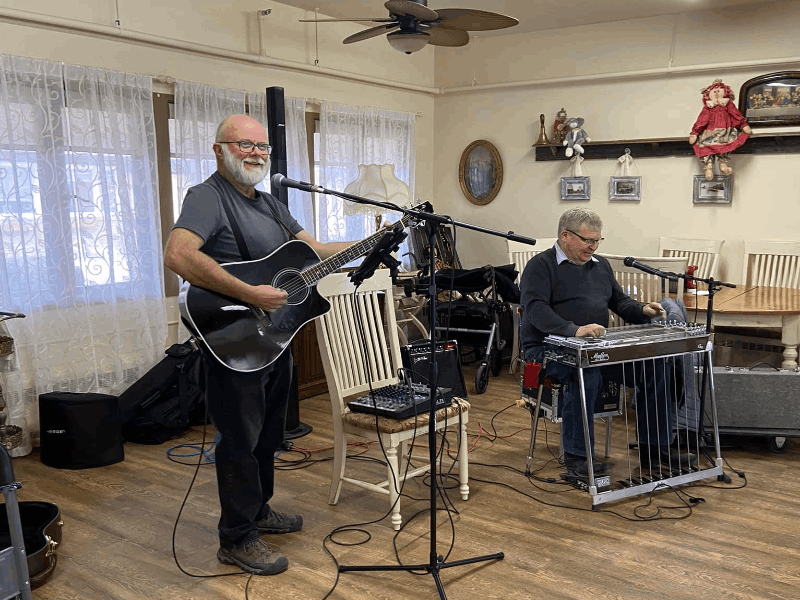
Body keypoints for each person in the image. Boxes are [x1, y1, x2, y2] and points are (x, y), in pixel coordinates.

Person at [164, 114, 354, 576]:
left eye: (262, 146)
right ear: (219, 150)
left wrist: (368, 243)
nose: (255, 153)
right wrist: (250, 293)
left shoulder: (270, 204)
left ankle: (259, 510)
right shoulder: (207, 197)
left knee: (269, 435)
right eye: (244, 144)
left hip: (274, 339)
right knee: (239, 439)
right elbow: (179, 254)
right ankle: (236, 537)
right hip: (233, 339)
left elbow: (313, 251)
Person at [518, 208, 696, 477]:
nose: (593, 246)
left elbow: (619, 302)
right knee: (584, 372)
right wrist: (573, 330)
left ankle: (655, 449)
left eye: (597, 240)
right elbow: (536, 311)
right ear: (565, 236)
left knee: (655, 368)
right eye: (587, 240)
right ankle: (577, 457)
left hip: (594, 349)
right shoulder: (540, 266)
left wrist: (641, 309)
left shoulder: (600, 265)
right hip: (547, 350)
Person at [689, 79, 751, 180]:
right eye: (714, 91)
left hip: (724, 132)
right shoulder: (708, 106)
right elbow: (702, 120)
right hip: (709, 132)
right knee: (707, 147)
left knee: (724, 146)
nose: (717, 92)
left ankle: (723, 165)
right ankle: (708, 168)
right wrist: (695, 132)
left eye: (719, 90)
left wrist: (743, 125)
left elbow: (735, 114)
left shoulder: (728, 104)